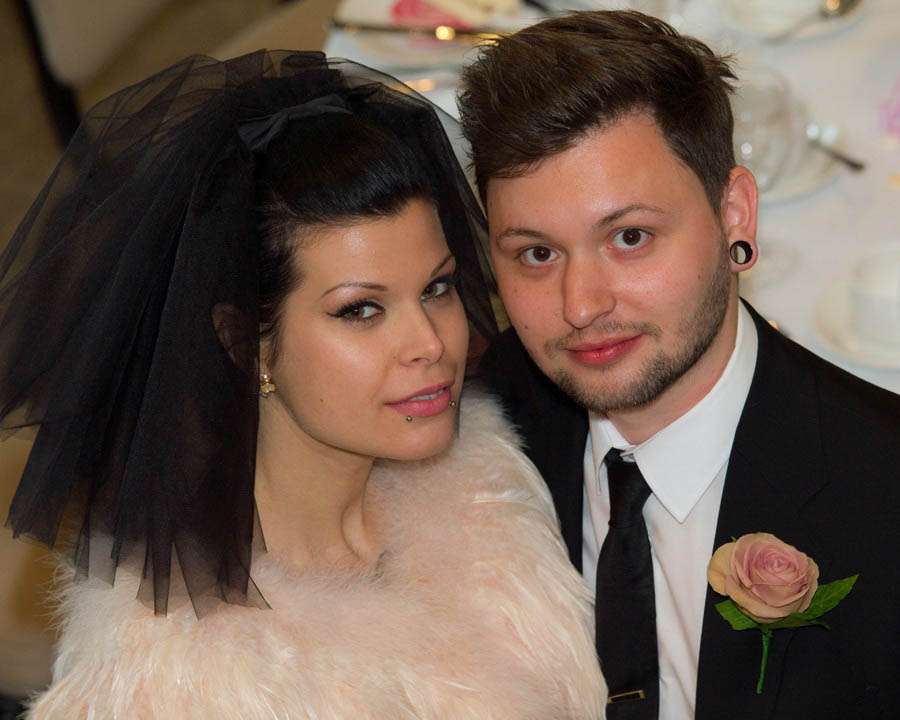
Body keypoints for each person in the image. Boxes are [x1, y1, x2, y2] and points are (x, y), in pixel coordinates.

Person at [0, 51, 606, 719]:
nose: (431, 344)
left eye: (436, 289)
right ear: (246, 342)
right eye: (361, 310)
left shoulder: (491, 495)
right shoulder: (177, 680)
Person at [458, 10, 900, 720]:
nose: (581, 305)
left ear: (735, 214)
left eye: (630, 237)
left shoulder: (879, 492)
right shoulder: (466, 427)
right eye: (537, 254)